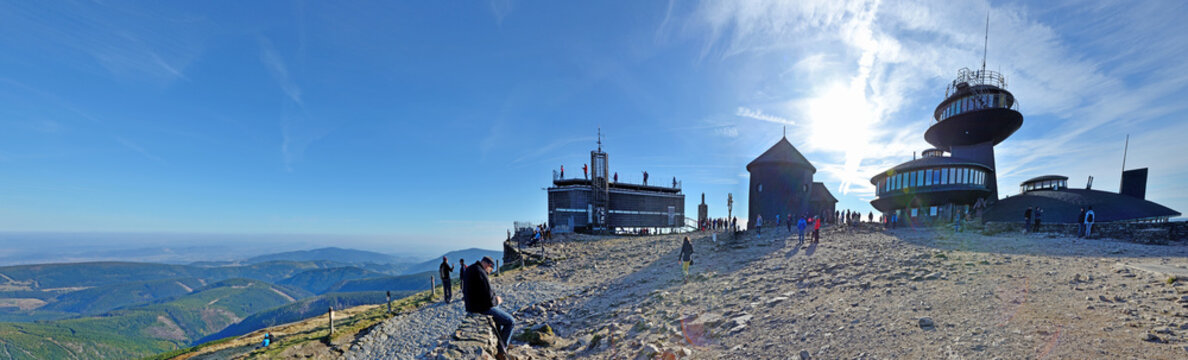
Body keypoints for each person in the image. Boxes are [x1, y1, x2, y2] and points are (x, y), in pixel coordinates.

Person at [464, 257, 516, 360]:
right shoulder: (481, 273)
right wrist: (497, 300)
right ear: (488, 265)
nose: (490, 271)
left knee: (499, 313)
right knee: (510, 322)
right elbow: (488, 300)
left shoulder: (470, 269)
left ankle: (501, 341)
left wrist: (494, 299)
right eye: (491, 269)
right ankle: (501, 351)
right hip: (480, 308)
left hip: (471, 305)